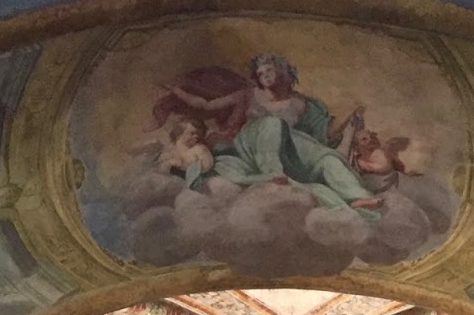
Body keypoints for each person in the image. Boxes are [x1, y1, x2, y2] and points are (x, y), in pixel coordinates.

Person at [153, 54, 382, 213]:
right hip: (250, 144)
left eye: (269, 70)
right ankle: (273, 175)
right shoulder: (248, 95)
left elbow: (326, 133)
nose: (264, 75)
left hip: (291, 145)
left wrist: (350, 111)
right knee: (272, 124)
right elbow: (205, 105)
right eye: (260, 73)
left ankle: (359, 197)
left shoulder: (301, 104)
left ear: (282, 70)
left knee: (327, 158)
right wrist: (176, 91)